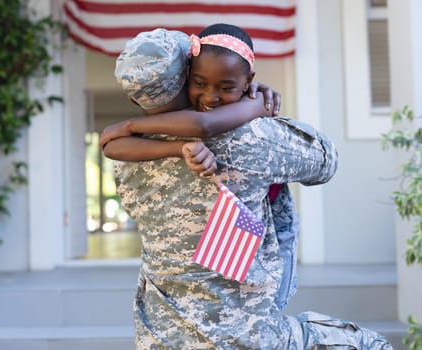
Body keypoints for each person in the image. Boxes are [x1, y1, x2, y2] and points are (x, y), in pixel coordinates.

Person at [110, 25, 392, 349]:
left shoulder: (126, 157)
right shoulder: (249, 138)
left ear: (133, 97)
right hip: (245, 336)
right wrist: (250, 103)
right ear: (187, 74)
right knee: (365, 343)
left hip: (159, 337)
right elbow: (325, 161)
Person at [102, 25, 298, 310]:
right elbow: (111, 146)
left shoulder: (252, 104)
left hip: (273, 234)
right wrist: (178, 148)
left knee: (273, 299)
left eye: (226, 86)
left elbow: (203, 127)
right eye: (200, 83)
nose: (211, 95)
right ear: (186, 76)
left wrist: (129, 124)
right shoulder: (200, 115)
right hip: (233, 257)